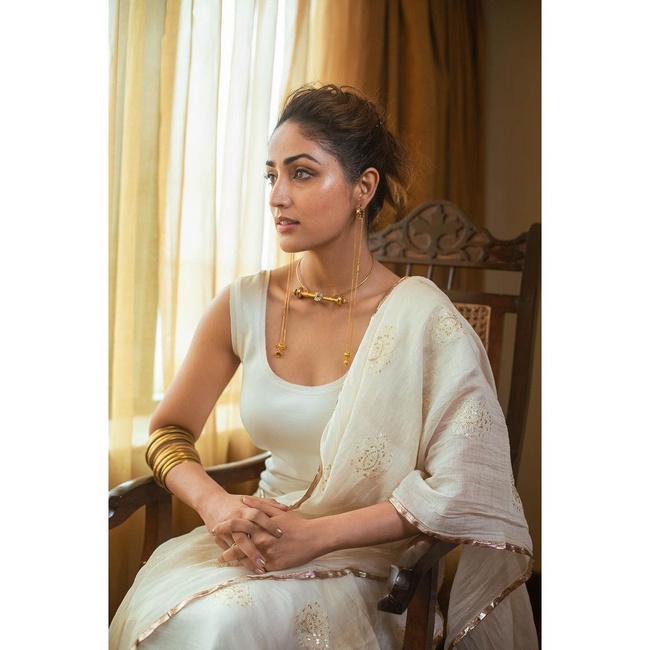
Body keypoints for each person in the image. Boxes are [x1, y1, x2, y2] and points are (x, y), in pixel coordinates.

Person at [109, 83, 538, 649]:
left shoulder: (424, 320)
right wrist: (216, 504)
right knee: (192, 622)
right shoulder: (243, 303)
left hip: (370, 568)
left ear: (364, 187)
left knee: (222, 626)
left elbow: (461, 488)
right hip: (251, 546)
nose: (277, 196)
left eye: (303, 173)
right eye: (271, 175)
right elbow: (169, 430)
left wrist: (316, 536)